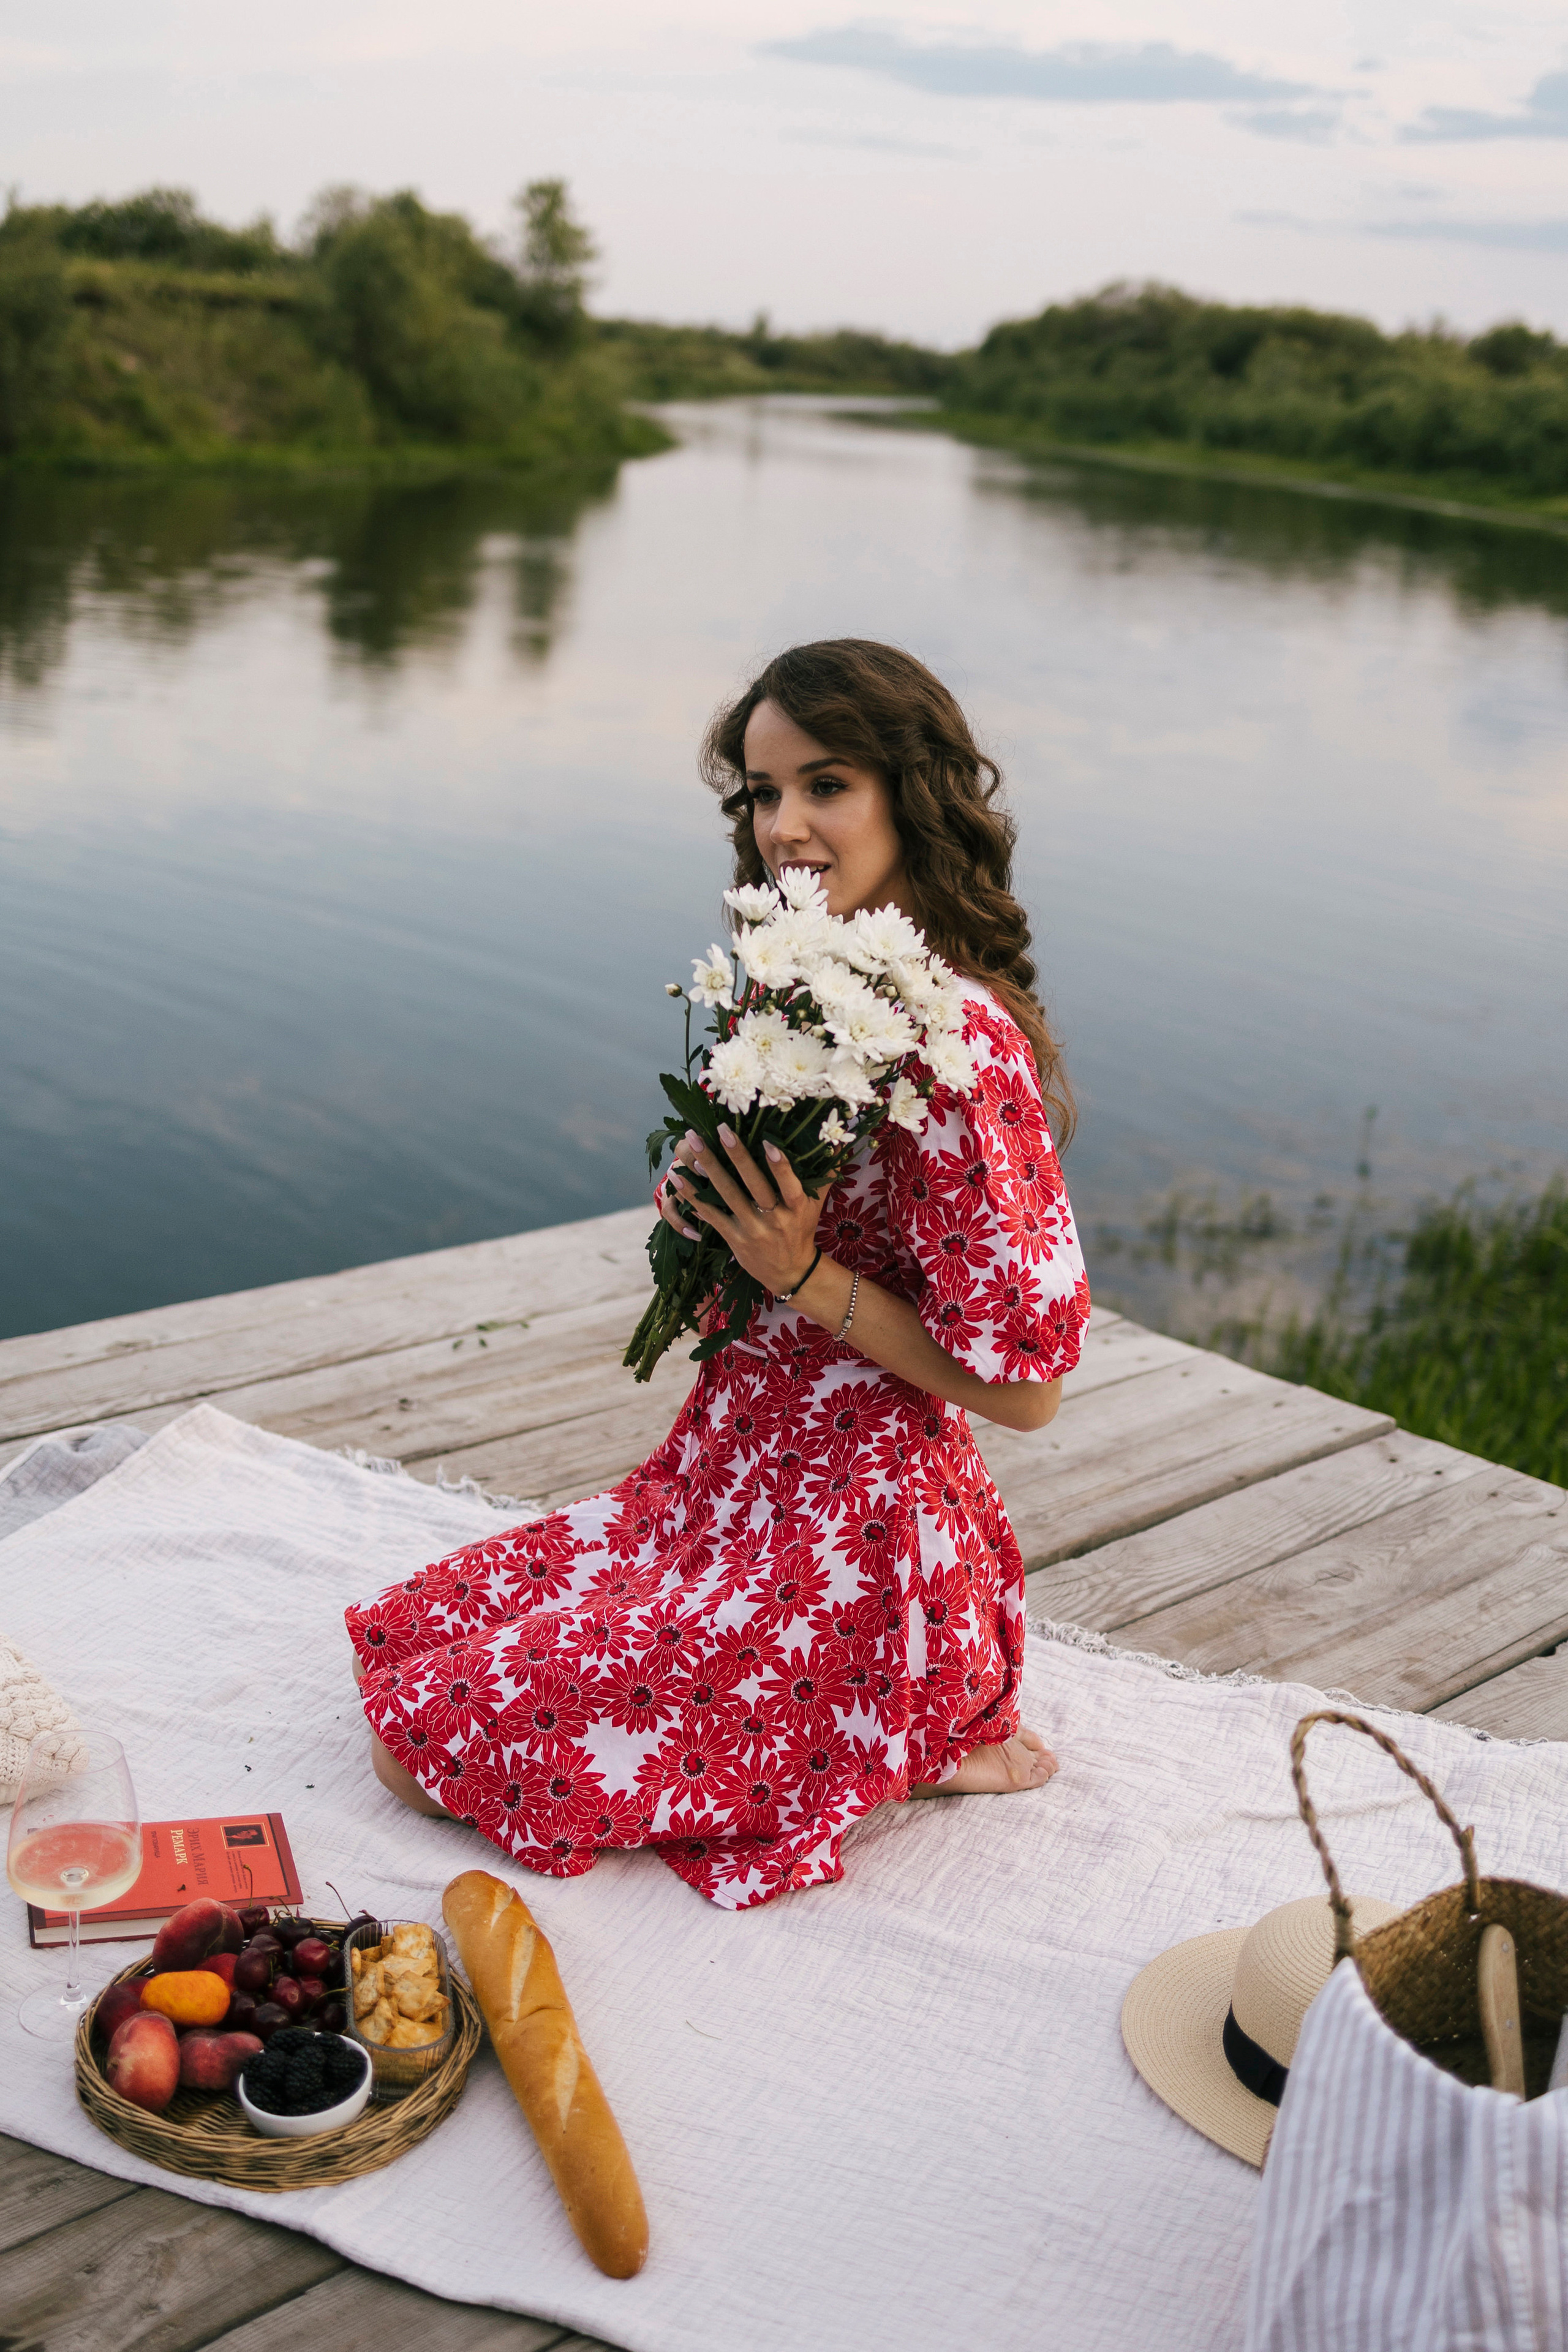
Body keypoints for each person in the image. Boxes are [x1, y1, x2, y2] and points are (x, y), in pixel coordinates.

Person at [345, 639, 1090, 1910]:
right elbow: (733, 1278)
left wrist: (799, 1273)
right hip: (724, 1482)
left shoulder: (959, 1044)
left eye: (825, 785)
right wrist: (708, 1224)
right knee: (415, 1644)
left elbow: (1027, 1395)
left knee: (429, 1751)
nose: (783, 826)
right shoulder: (798, 982)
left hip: (857, 1546)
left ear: (910, 796)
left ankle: (906, 1722)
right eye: (761, 792)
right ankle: (896, 1722)